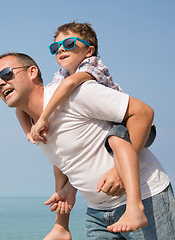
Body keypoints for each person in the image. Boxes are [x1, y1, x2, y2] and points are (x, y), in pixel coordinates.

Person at [0, 52, 175, 239]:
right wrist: (61, 223)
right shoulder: (31, 124)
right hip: (97, 213)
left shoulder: (74, 94)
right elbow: (65, 164)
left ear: (32, 72)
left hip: (146, 199)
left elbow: (142, 112)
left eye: (6, 74)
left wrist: (119, 172)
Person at [13, 22, 155, 233]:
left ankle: (135, 206)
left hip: (126, 125)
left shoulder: (91, 67)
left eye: (68, 43)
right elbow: (21, 110)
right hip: (98, 203)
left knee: (116, 140)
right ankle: (61, 226)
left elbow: (69, 87)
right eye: (55, 47)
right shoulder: (61, 75)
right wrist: (28, 133)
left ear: (89, 50)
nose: (60, 49)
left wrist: (43, 118)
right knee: (60, 157)